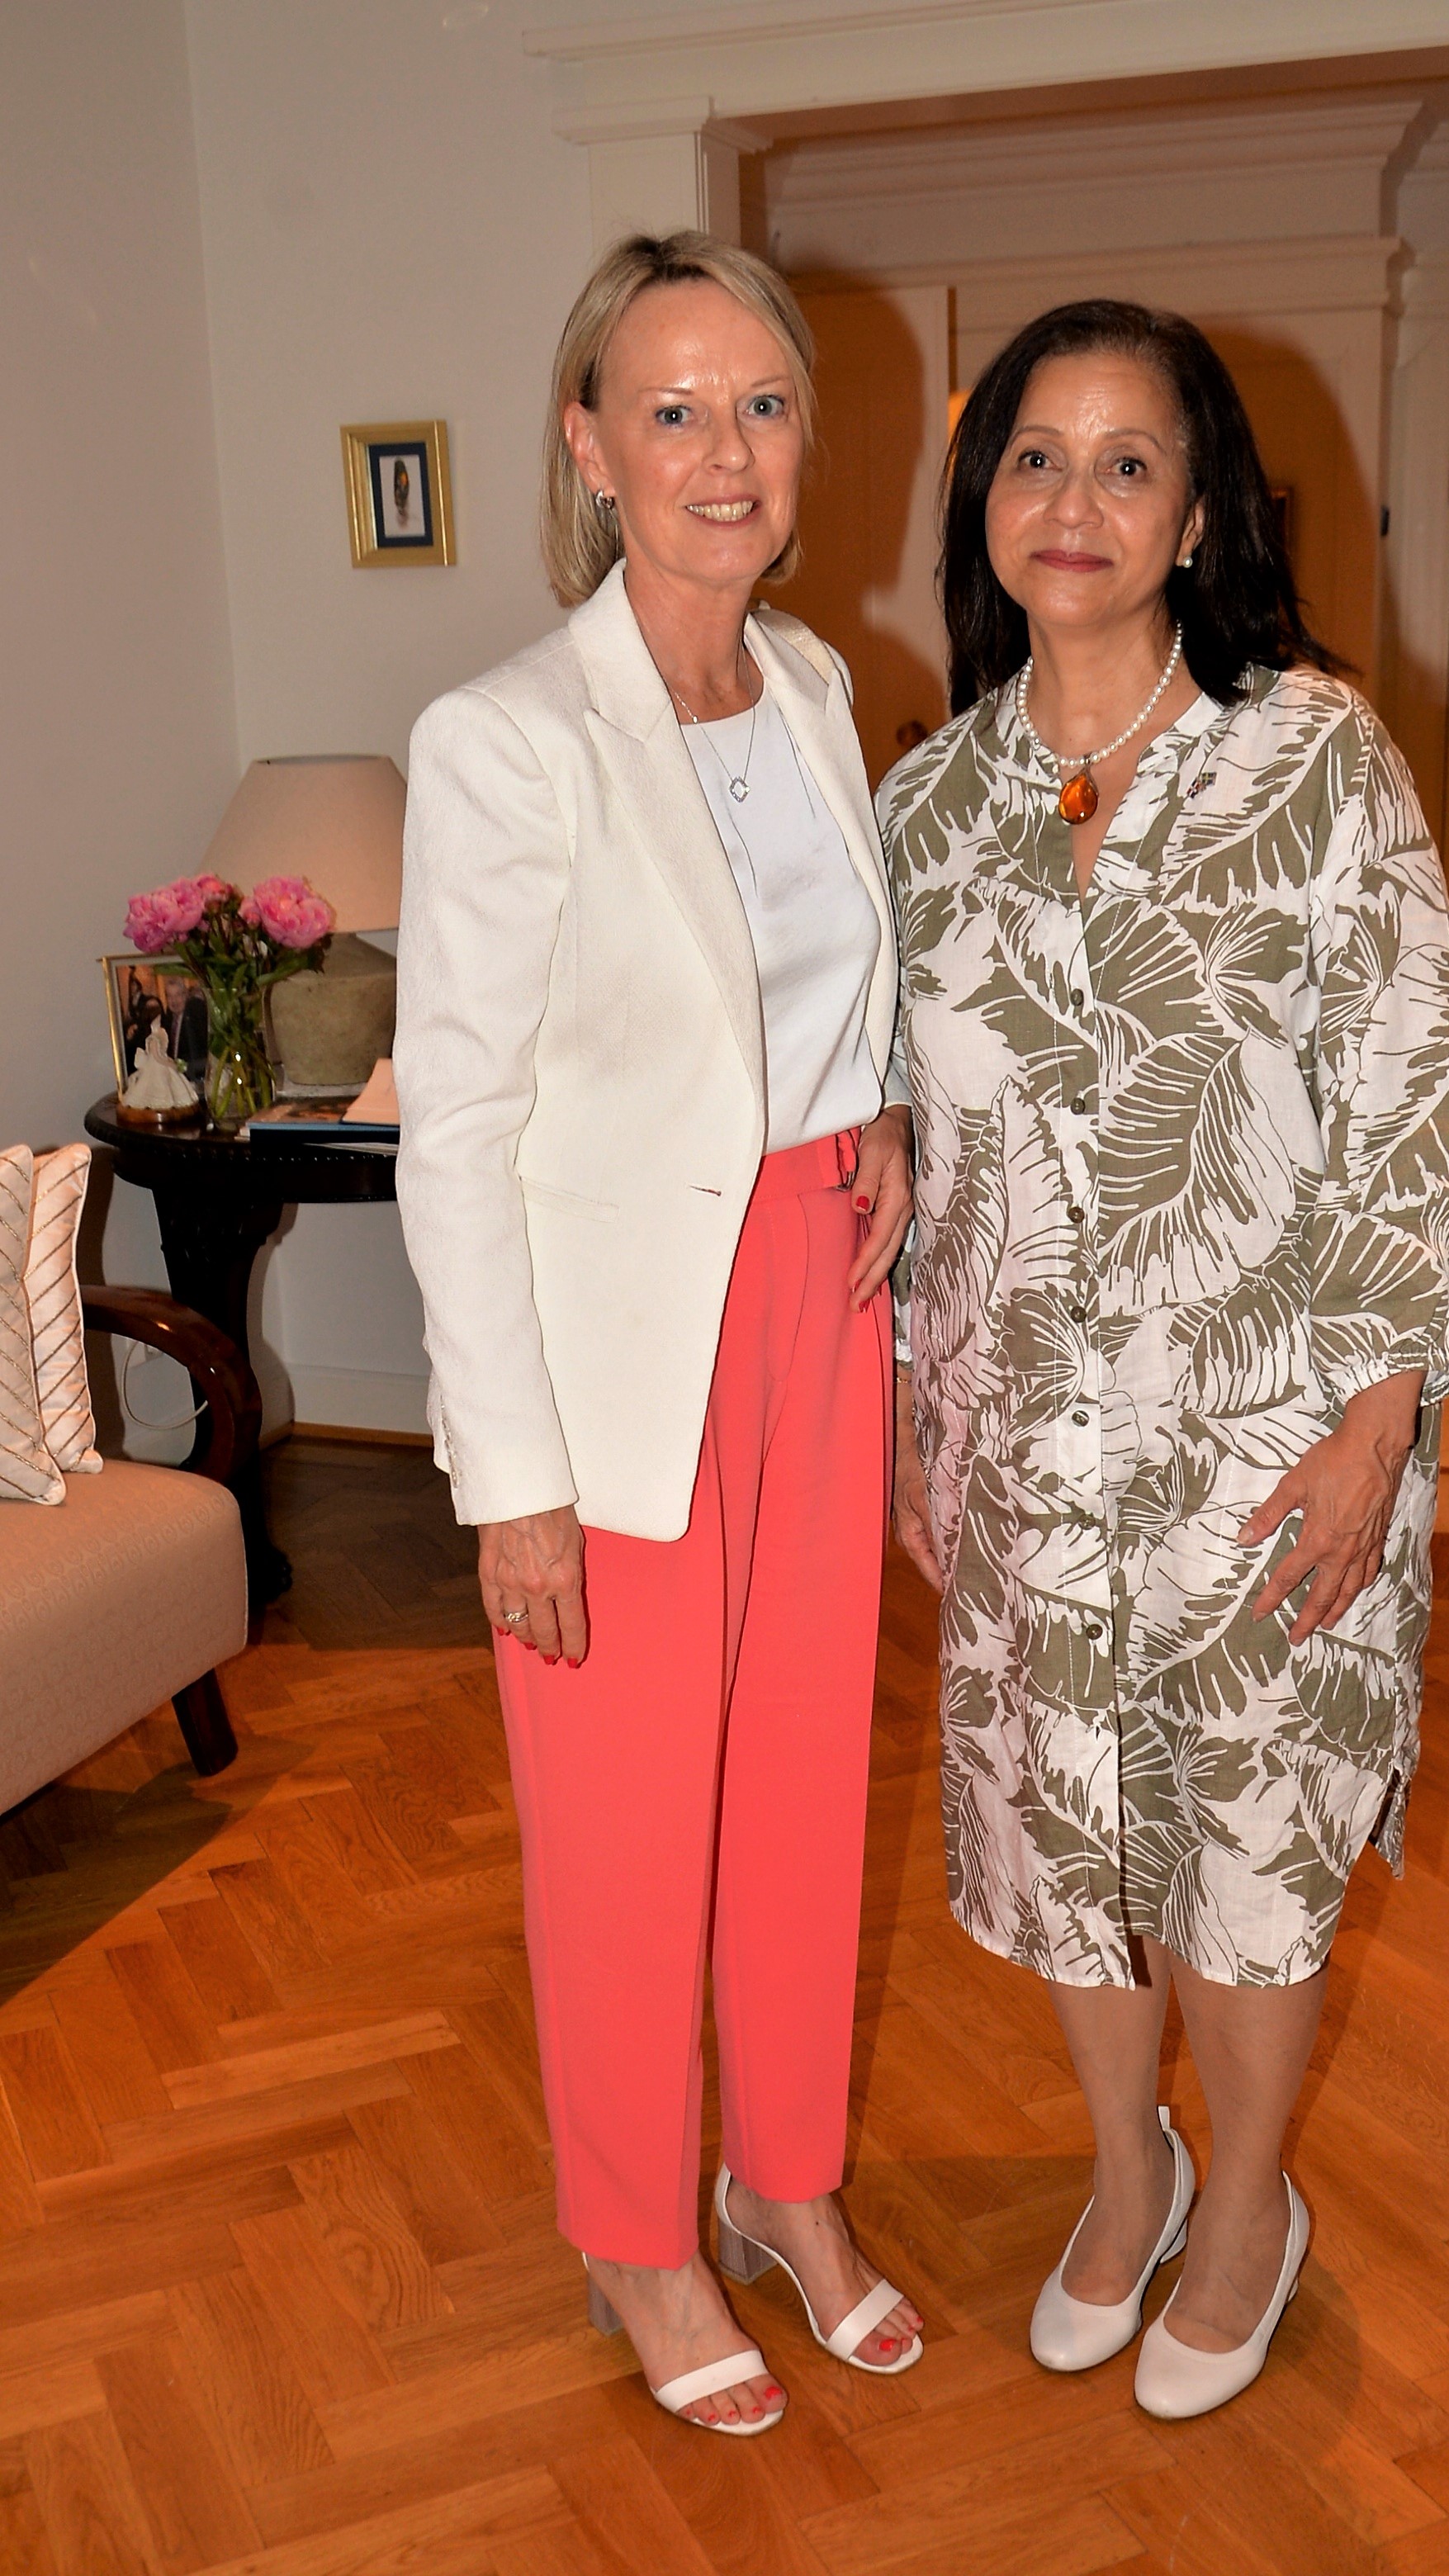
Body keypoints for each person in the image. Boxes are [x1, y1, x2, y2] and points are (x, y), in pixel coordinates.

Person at [881, 298, 1449, 2421]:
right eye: (1031, 455)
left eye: (1125, 461)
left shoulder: (1313, 758)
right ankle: (1123, 2167)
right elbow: (902, 1129)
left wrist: (1378, 1429)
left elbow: (1414, 1107)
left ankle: (1245, 2202)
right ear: (981, 501)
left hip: (1271, 1445)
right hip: (1025, 1443)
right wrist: (923, 1409)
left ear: (1197, 514)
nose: (1072, 500)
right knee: (1070, 1848)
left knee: (1246, 1858)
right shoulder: (928, 805)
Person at [394, 232, 923, 2436]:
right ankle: (634, 2234)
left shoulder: (813, 688)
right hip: (622, 1357)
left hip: (821, 1302)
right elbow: (459, 1127)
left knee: (803, 1785)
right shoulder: (507, 740)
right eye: (675, 409)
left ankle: (782, 2180)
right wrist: (507, 1478)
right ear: (590, 447)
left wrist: (877, 1109)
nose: (727, 452)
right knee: (622, 1829)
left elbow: (815, 980)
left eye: (763, 406)